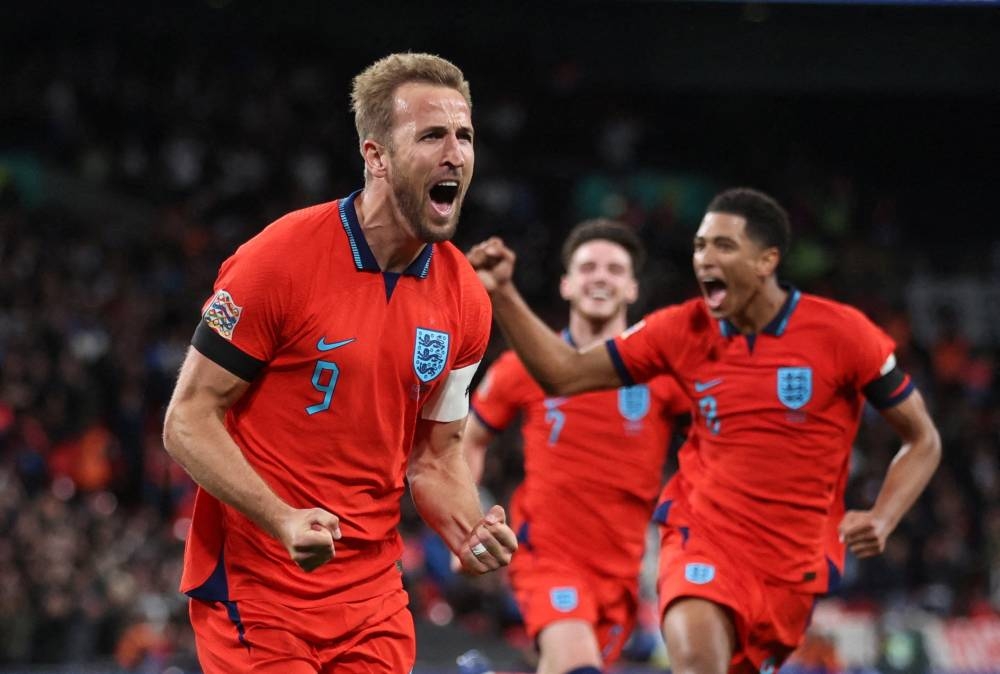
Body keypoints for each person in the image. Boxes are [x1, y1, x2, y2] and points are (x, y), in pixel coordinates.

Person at [467, 187, 941, 674]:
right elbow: (562, 374)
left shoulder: (843, 334)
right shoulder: (678, 331)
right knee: (684, 658)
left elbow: (923, 438)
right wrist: (502, 293)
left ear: (766, 260)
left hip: (783, 563)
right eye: (699, 247)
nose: (704, 260)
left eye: (723, 247)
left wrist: (883, 517)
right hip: (693, 536)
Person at [162, 53, 517, 674]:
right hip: (259, 584)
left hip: (371, 598)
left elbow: (435, 458)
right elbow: (187, 419)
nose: (455, 154)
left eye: (464, 136)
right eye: (431, 135)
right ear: (375, 156)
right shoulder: (278, 260)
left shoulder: (466, 301)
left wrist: (469, 532)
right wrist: (281, 518)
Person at [463, 220, 689, 674]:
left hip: (623, 571)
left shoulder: (663, 375)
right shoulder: (522, 366)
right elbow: (468, 440)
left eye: (613, 268)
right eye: (587, 267)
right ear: (566, 284)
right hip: (548, 558)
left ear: (631, 288)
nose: (599, 277)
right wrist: (466, 524)